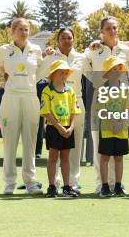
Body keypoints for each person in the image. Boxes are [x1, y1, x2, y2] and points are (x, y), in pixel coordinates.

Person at [84, 16, 129, 195]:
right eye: (108, 28)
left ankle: (117, 184)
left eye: (115, 28)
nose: (112, 31)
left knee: (117, 145)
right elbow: (84, 66)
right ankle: (102, 185)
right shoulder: (94, 49)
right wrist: (98, 81)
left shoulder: (126, 50)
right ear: (101, 31)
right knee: (100, 144)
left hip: (121, 100)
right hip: (100, 99)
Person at [0, 18, 44, 195]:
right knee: (10, 142)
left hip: (30, 97)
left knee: (30, 142)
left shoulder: (36, 50)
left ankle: (30, 182)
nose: (24, 32)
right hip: (11, 98)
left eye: (27, 29)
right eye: (20, 29)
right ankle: (9, 183)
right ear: (13, 31)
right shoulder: (4, 50)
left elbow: (41, 70)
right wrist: (4, 73)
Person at [37, 27, 86, 192]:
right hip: (55, 105)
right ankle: (55, 183)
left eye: (70, 38)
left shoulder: (82, 57)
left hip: (75, 101)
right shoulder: (52, 57)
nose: (67, 41)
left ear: (74, 40)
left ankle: (73, 182)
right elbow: (38, 75)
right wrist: (44, 56)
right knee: (55, 149)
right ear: (58, 41)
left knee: (75, 146)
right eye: (63, 38)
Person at [40, 60, 81, 198]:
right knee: (52, 157)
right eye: (61, 72)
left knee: (65, 158)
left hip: (68, 129)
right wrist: (59, 127)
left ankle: (66, 187)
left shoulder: (70, 91)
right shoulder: (47, 91)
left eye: (66, 73)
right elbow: (46, 111)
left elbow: (74, 110)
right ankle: (52, 187)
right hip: (53, 129)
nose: (64, 75)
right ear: (53, 74)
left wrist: (71, 128)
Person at [95, 56, 129, 198]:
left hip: (121, 130)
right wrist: (112, 122)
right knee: (104, 157)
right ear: (108, 72)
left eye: (118, 69)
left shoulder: (125, 89)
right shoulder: (102, 89)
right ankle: (104, 186)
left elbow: (127, 108)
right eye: (113, 69)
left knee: (119, 158)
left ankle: (118, 186)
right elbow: (101, 109)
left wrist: (121, 123)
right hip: (106, 129)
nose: (117, 71)